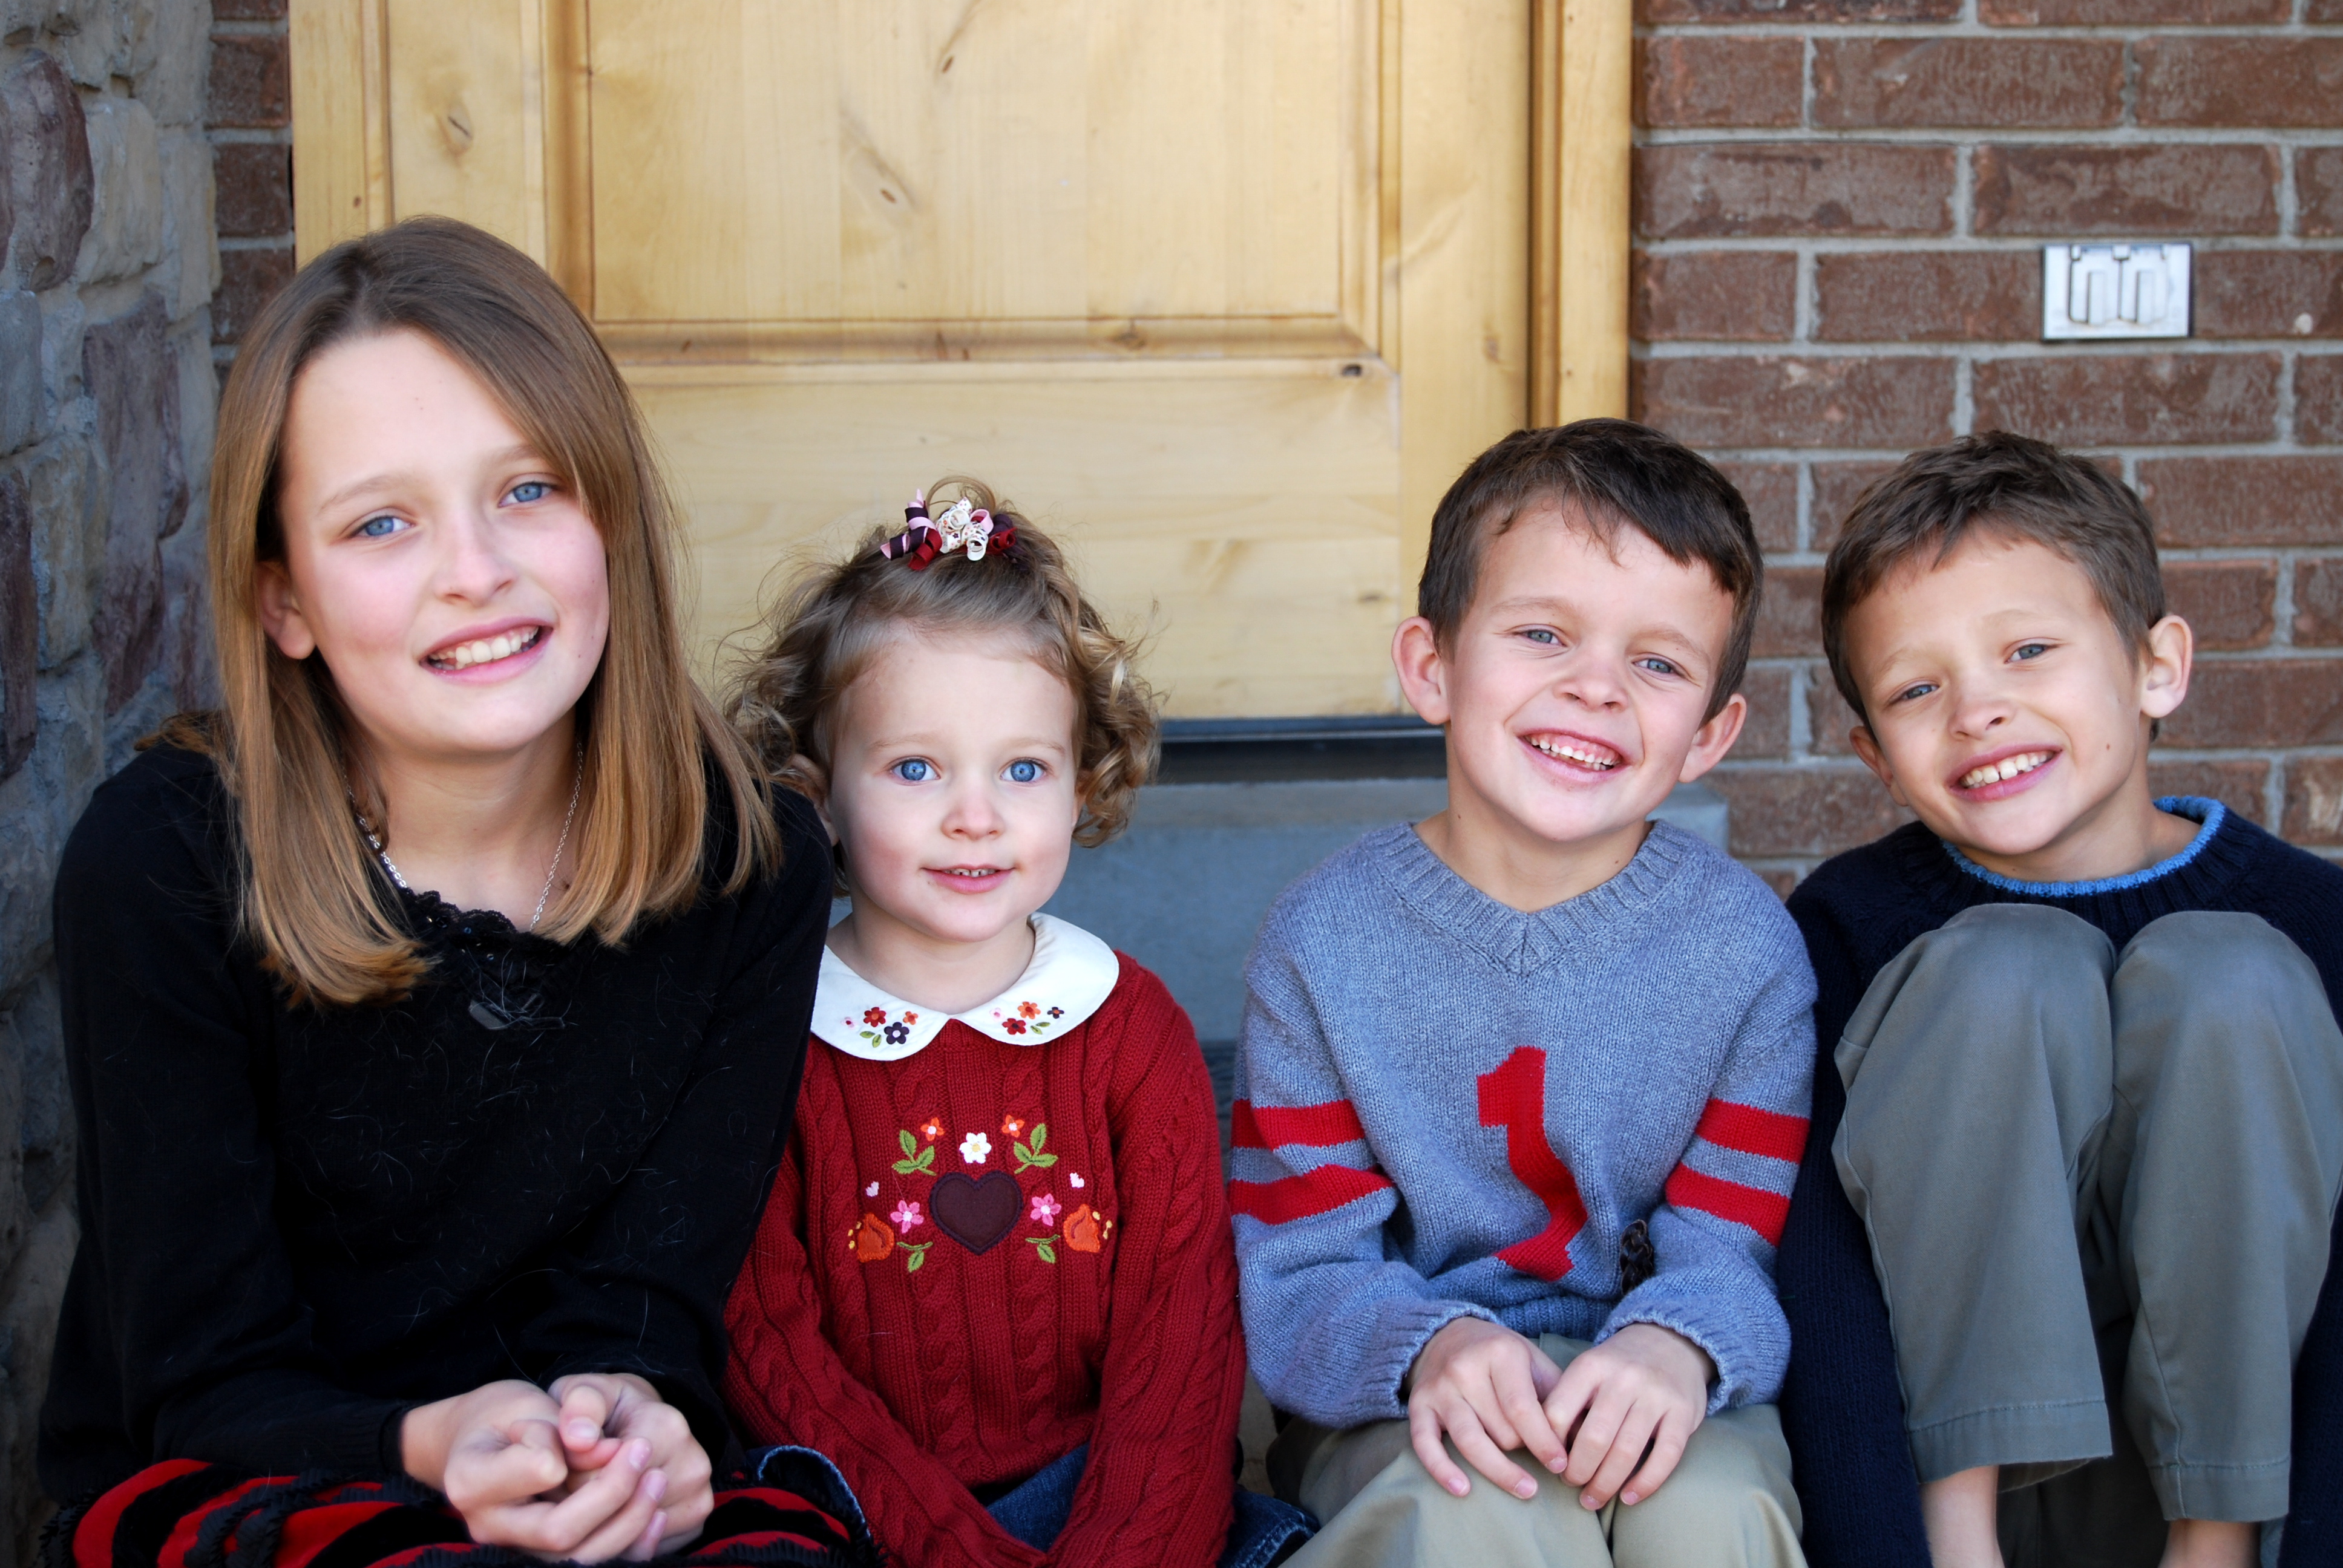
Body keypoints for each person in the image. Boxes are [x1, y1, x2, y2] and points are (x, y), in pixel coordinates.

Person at [39, 218, 855, 1568]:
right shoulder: (164, 868)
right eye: (381, 523)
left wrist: (634, 1420)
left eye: (528, 489)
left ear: (610, 518)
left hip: (560, 1457)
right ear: (285, 601)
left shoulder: (748, 865)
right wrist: (435, 1443)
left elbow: (647, 1306)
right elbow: (201, 1380)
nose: (474, 570)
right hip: (259, 1468)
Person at [1233, 419, 1815, 1568]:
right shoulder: (1322, 944)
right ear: (1431, 668)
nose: (1594, 688)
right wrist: (1429, 1346)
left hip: (1661, 1376)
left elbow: (1734, 1250)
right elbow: (1301, 1268)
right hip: (1401, 1391)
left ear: (1710, 735)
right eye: (1543, 634)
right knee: (1475, 1513)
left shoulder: (1746, 952)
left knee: (1709, 1513)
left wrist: (1679, 1346)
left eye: (1658, 664)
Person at [1775, 432, 2343, 1568]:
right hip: (1940, 1502)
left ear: (2156, 666)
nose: (1978, 710)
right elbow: (1820, 1269)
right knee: (2003, 967)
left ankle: (2215, 1547)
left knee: (2229, 979)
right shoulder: (1849, 922)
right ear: (1877, 756)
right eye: (1918, 688)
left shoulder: (2315, 921)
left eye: (2028, 650)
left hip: (2241, 1495)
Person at [720, 483, 1312, 1568]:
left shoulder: (1130, 1030)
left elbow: (1180, 1343)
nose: (975, 816)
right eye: (915, 768)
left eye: (1023, 768)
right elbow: (769, 1346)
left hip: (1103, 1499)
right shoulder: (772, 1035)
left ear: (1082, 786)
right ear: (818, 796)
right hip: (859, 1510)